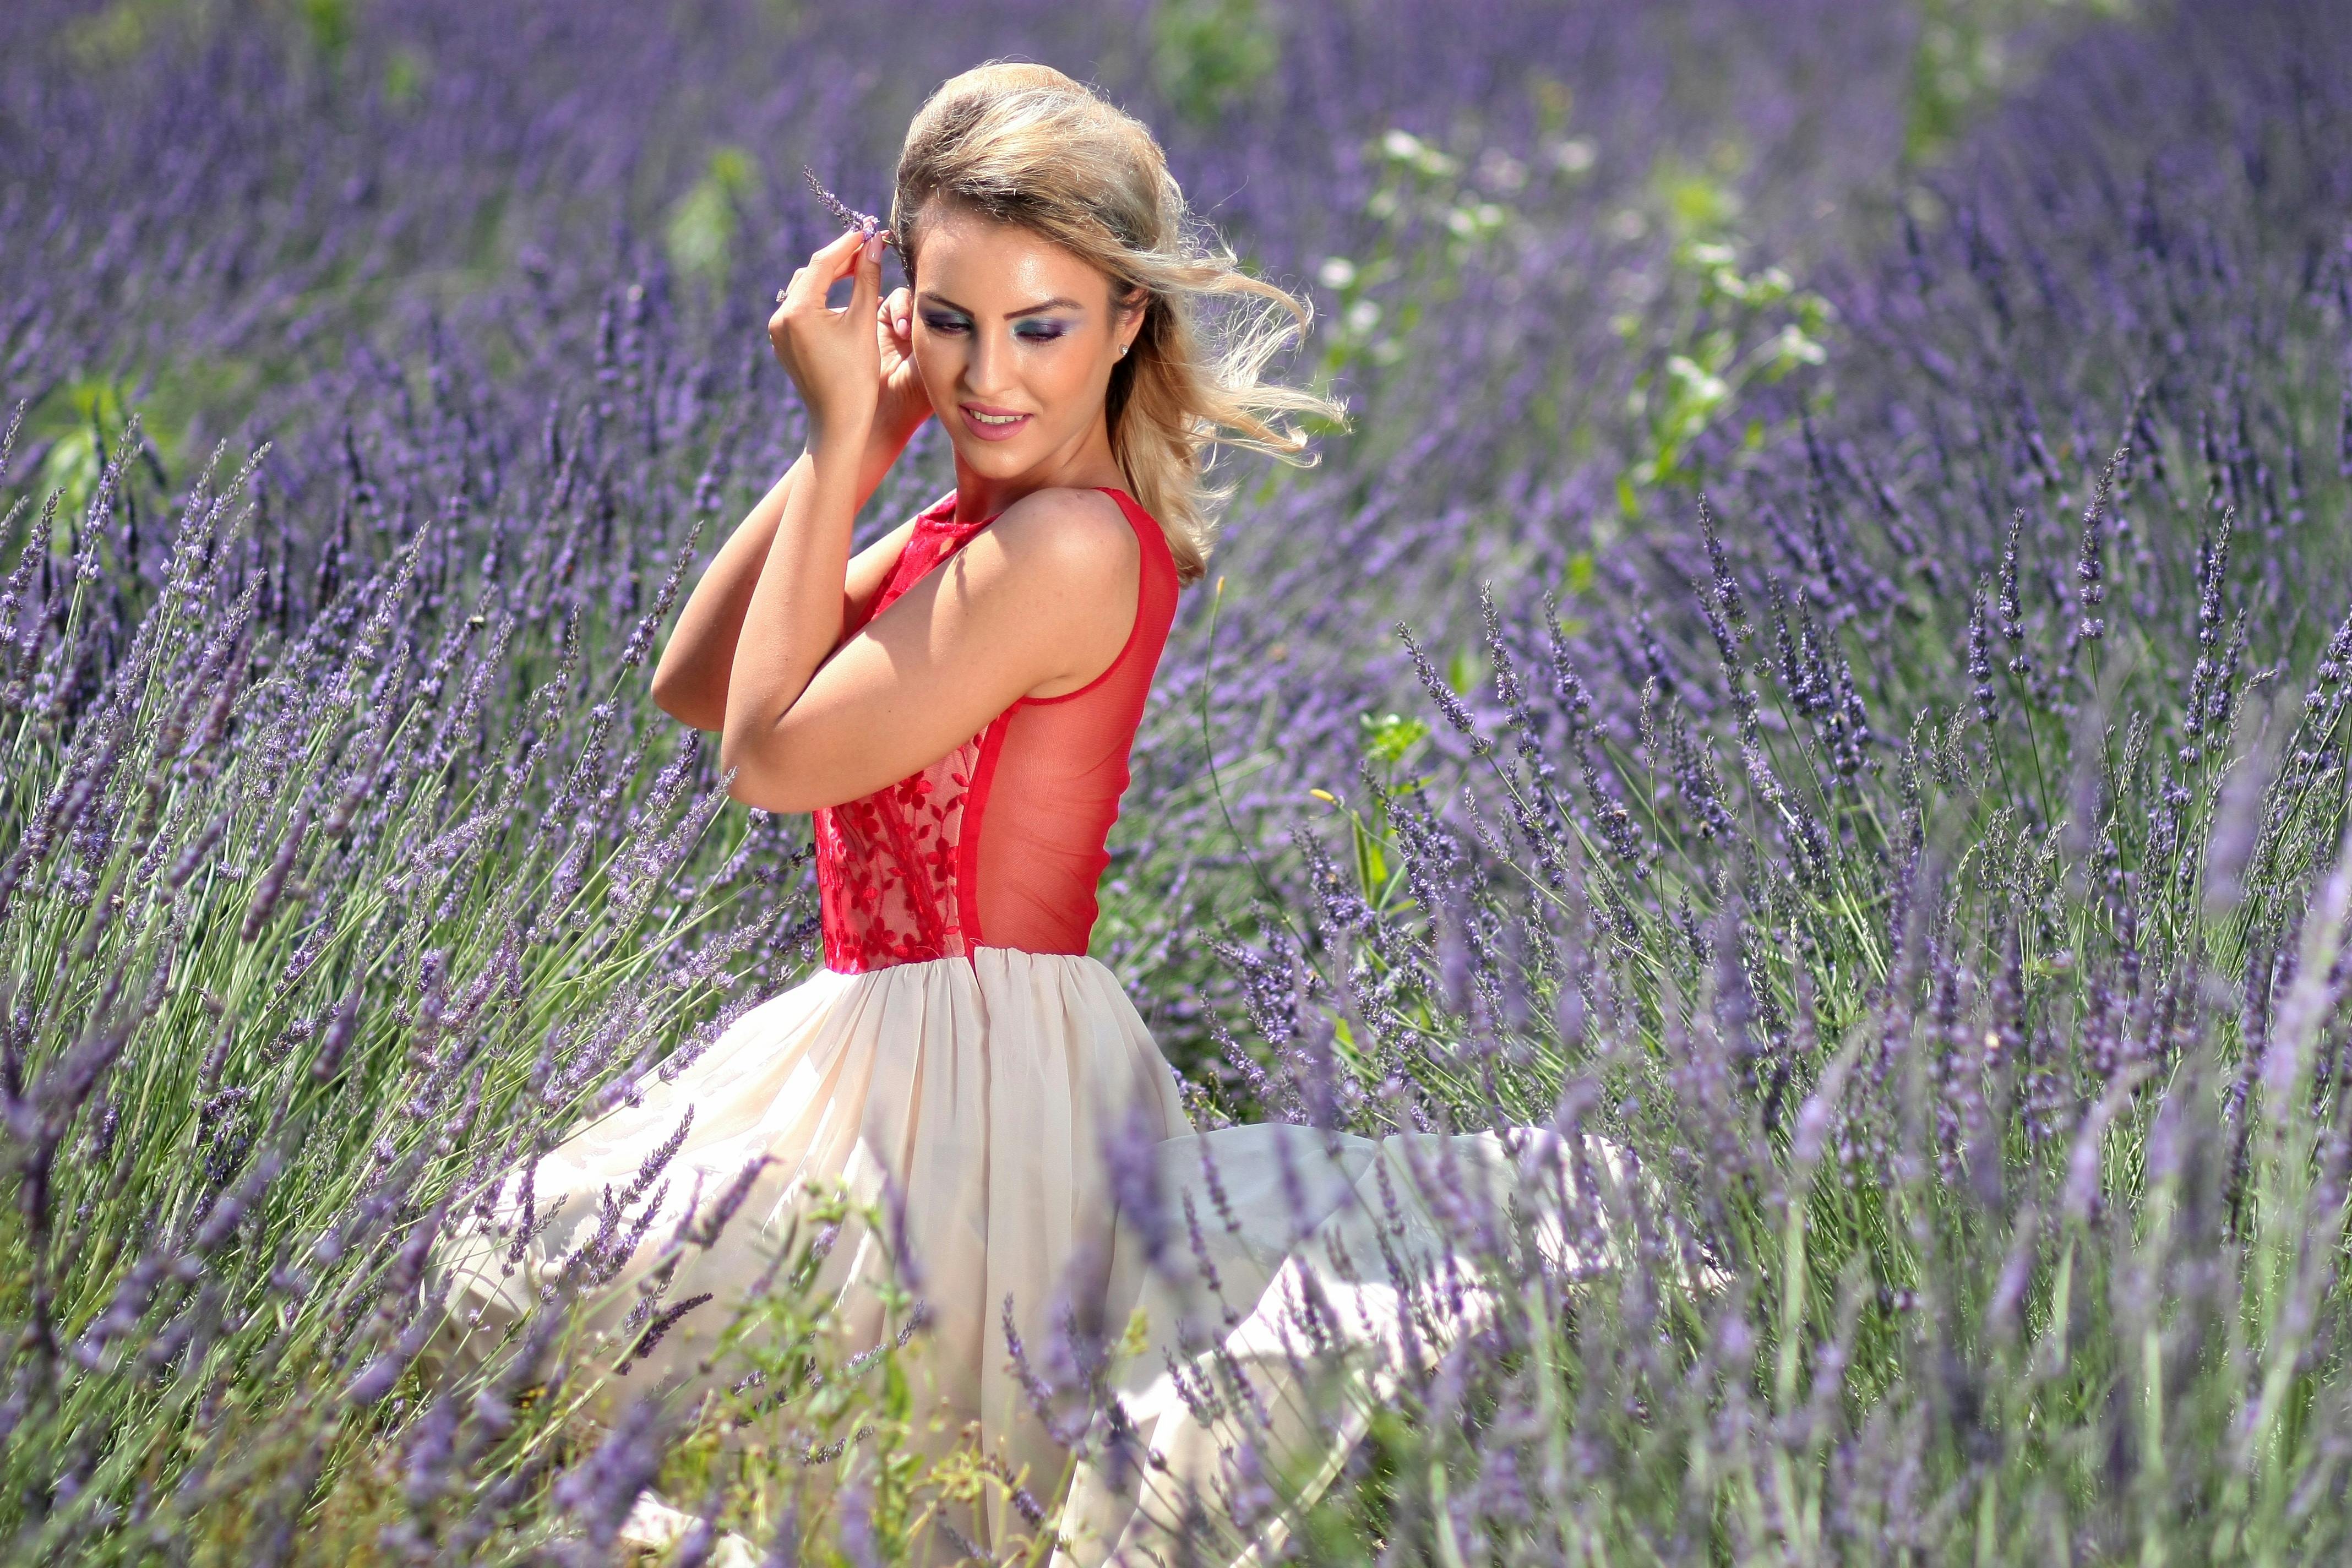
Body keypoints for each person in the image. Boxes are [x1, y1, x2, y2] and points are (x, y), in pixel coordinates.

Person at [422, 61, 1629, 1566]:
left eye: (1040, 328)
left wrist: (835, 447)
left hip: (977, 1094)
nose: (987, 375)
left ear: (1126, 324)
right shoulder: (970, 527)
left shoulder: (1068, 545)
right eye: (949, 322)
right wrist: (860, 444)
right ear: (901, 313)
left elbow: (766, 760)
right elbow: (700, 684)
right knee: (578, 1321)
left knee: (642, 1343)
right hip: (885, 1050)